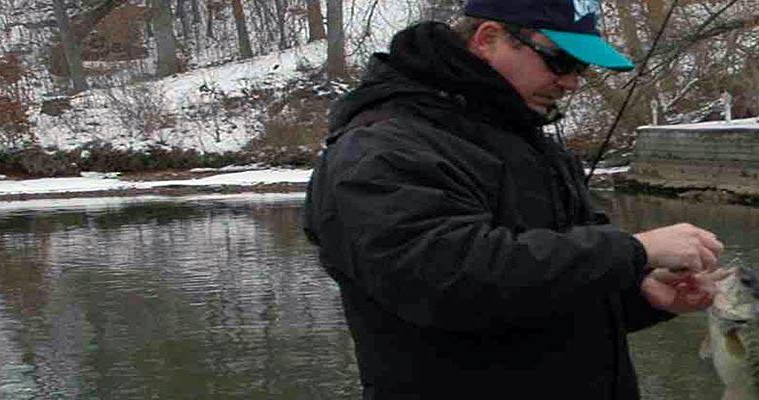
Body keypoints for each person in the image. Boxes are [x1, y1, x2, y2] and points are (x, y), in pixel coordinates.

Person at [301, 0, 727, 398]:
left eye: (581, 66)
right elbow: (444, 279)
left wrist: (640, 296)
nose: (572, 81)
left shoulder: (534, 146)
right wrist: (633, 250)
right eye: (561, 60)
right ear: (488, 39)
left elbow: (545, 291)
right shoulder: (381, 148)